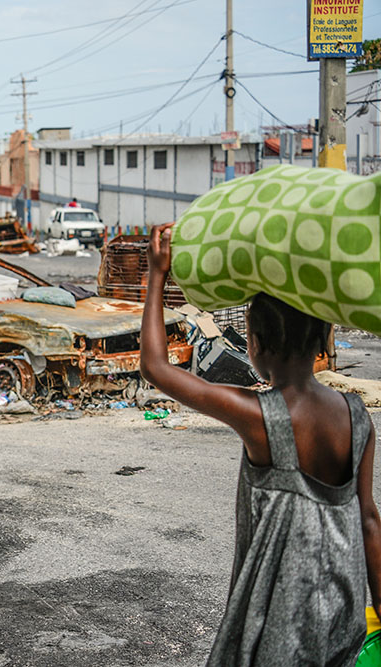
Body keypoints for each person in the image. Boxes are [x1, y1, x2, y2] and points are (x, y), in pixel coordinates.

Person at [140, 224, 381, 665]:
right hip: (341, 612)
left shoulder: (258, 416)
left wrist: (158, 274)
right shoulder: (357, 415)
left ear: (255, 346)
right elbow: (368, 520)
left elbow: (156, 366)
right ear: (322, 342)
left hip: (279, 619)